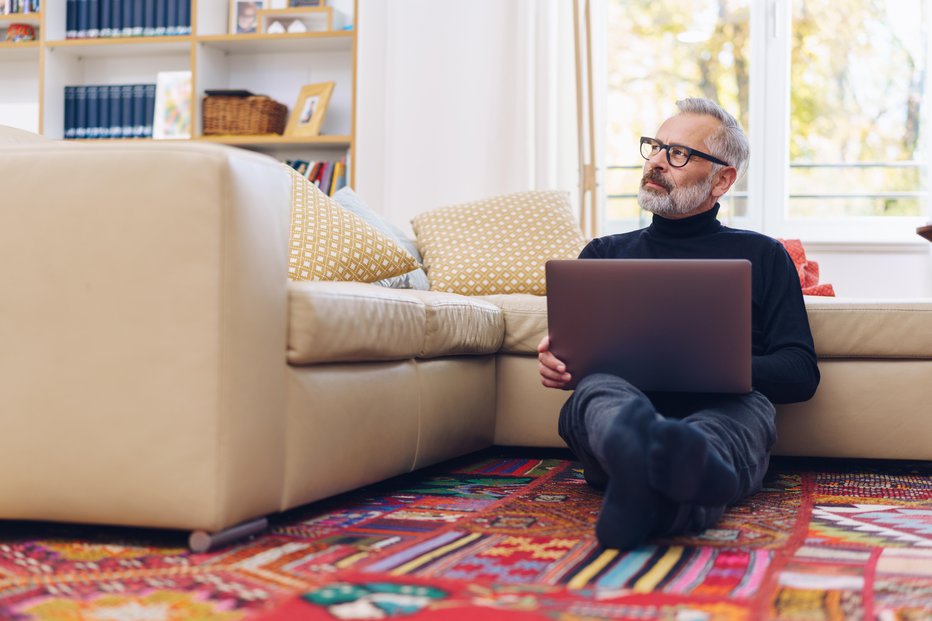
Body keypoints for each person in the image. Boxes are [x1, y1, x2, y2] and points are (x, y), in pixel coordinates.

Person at [538, 98, 820, 550]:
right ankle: (665, 466)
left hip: (727, 409)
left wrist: (715, 365)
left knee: (748, 411)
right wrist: (559, 361)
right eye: (654, 147)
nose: (655, 161)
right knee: (598, 391)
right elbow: (578, 363)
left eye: (678, 153)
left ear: (722, 179)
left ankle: (651, 482)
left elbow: (800, 372)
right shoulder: (602, 255)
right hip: (625, 409)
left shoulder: (765, 256)